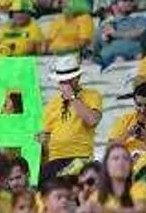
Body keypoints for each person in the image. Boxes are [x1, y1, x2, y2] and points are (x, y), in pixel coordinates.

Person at [39, 55, 103, 183]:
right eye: (61, 81)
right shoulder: (52, 103)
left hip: (80, 156)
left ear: (77, 78)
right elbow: (46, 137)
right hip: (55, 158)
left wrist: (72, 97)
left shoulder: (92, 95)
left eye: (67, 81)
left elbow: (92, 120)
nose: (64, 84)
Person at [78, 143, 146, 213]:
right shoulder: (97, 196)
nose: (121, 162)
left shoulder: (139, 187)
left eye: (125, 159)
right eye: (115, 159)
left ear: (131, 166)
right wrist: (82, 203)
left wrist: (105, 210)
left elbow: (139, 212)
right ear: (106, 166)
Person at [109, 81, 146, 156]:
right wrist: (127, 135)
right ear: (134, 103)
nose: (142, 110)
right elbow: (109, 149)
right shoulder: (125, 120)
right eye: (139, 105)